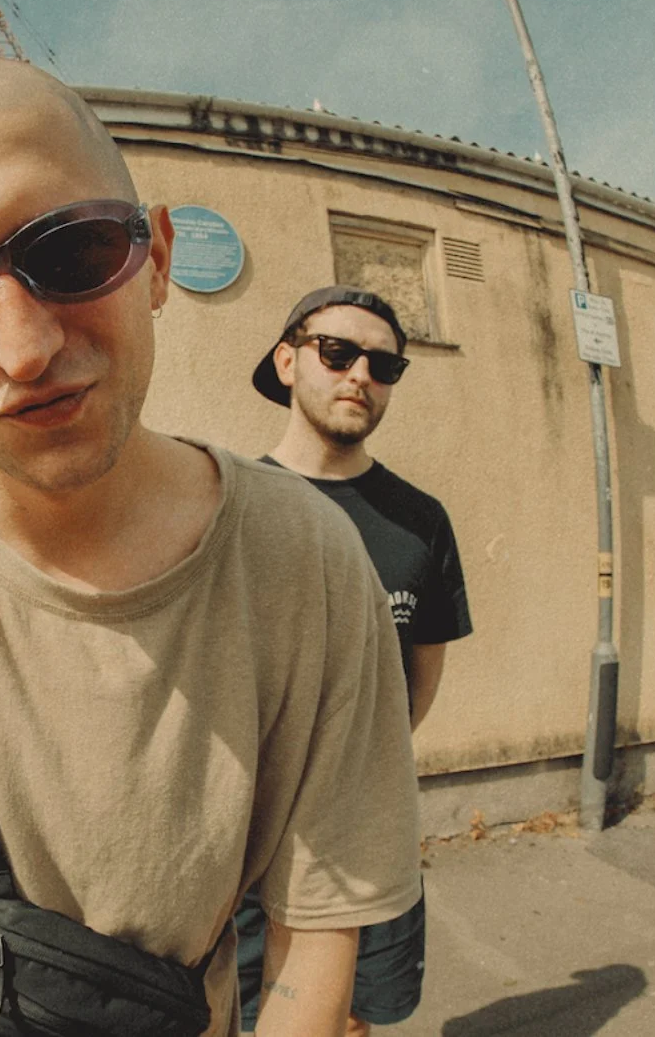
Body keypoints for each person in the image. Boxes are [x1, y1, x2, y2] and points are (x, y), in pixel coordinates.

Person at [0, 56, 422, 1037]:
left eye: (69, 252)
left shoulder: (306, 562)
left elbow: (313, 937)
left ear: (153, 258)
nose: (21, 350)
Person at [238, 285, 473, 1035]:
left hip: (371, 834)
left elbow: (421, 672)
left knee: (356, 1020)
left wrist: (362, 761)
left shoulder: (419, 519)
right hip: (249, 847)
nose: (359, 376)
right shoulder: (232, 506)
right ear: (287, 361)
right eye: (336, 352)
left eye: (384, 364)